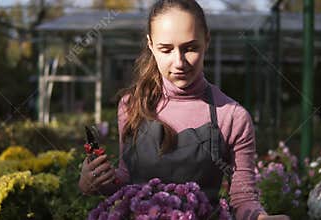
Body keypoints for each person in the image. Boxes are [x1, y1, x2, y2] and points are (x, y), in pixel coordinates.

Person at [79, 1, 289, 219]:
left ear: (207, 41)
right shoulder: (131, 106)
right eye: (166, 49)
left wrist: (261, 217)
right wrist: (93, 182)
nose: (179, 62)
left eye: (190, 48)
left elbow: (243, 199)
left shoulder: (232, 116)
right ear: (150, 45)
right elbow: (126, 179)